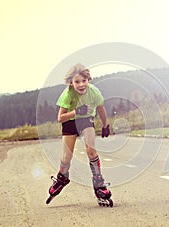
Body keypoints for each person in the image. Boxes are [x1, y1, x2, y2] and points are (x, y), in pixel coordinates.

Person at [47, 63, 112, 205]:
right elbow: (60, 118)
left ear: (89, 80)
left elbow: (101, 109)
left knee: (91, 150)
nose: (81, 85)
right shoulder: (67, 94)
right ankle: (62, 178)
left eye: (84, 81)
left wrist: (105, 125)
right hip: (69, 122)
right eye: (77, 82)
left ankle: (99, 183)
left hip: (86, 121)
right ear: (71, 83)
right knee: (66, 157)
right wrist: (76, 111)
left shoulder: (94, 92)